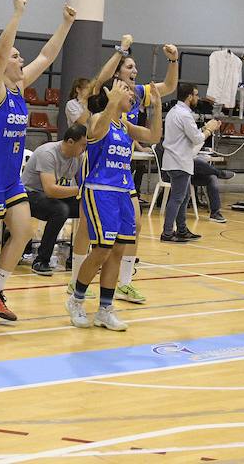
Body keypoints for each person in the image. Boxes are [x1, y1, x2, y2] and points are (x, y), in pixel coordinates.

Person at [0, 0, 75, 328]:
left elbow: (48, 55)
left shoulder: (18, 87)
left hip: (9, 180)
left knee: (23, 231)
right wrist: (17, 14)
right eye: (15, 55)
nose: (20, 59)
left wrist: (66, 24)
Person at [66, 79, 162, 331]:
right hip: (100, 191)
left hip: (122, 191)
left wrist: (158, 108)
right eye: (125, 90)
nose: (132, 93)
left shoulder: (125, 125)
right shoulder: (99, 118)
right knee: (101, 250)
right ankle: (76, 300)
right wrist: (111, 102)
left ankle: (105, 309)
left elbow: (153, 136)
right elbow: (95, 134)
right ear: (112, 94)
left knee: (118, 251)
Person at [89, 35, 178, 304]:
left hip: (121, 171)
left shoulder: (137, 93)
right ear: (117, 71)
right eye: (129, 67)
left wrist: (173, 59)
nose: (134, 71)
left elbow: (169, 86)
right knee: (87, 231)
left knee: (134, 226)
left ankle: (123, 283)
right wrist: (121, 50)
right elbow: (99, 81)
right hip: (97, 166)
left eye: (135, 67)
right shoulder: (106, 91)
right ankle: (78, 281)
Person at [20, 124, 89, 276]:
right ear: (70, 142)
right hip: (29, 196)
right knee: (60, 210)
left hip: (54, 197)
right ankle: (41, 260)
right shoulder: (48, 153)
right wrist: (81, 190)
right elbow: (50, 190)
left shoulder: (78, 157)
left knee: (90, 206)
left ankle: (78, 258)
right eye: (83, 144)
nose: (85, 148)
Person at [160, 83, 221, 242]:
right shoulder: (185, 115)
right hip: (179, 161)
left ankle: (181, 230)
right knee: (177, 198)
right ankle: (167, 233)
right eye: (195, 94)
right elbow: (197, 138)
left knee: (184, 196)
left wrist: (204, 129)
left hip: (175, 160)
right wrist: (209, 129)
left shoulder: (174, 111)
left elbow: (190, 135)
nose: (197, 97)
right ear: (189, 97)